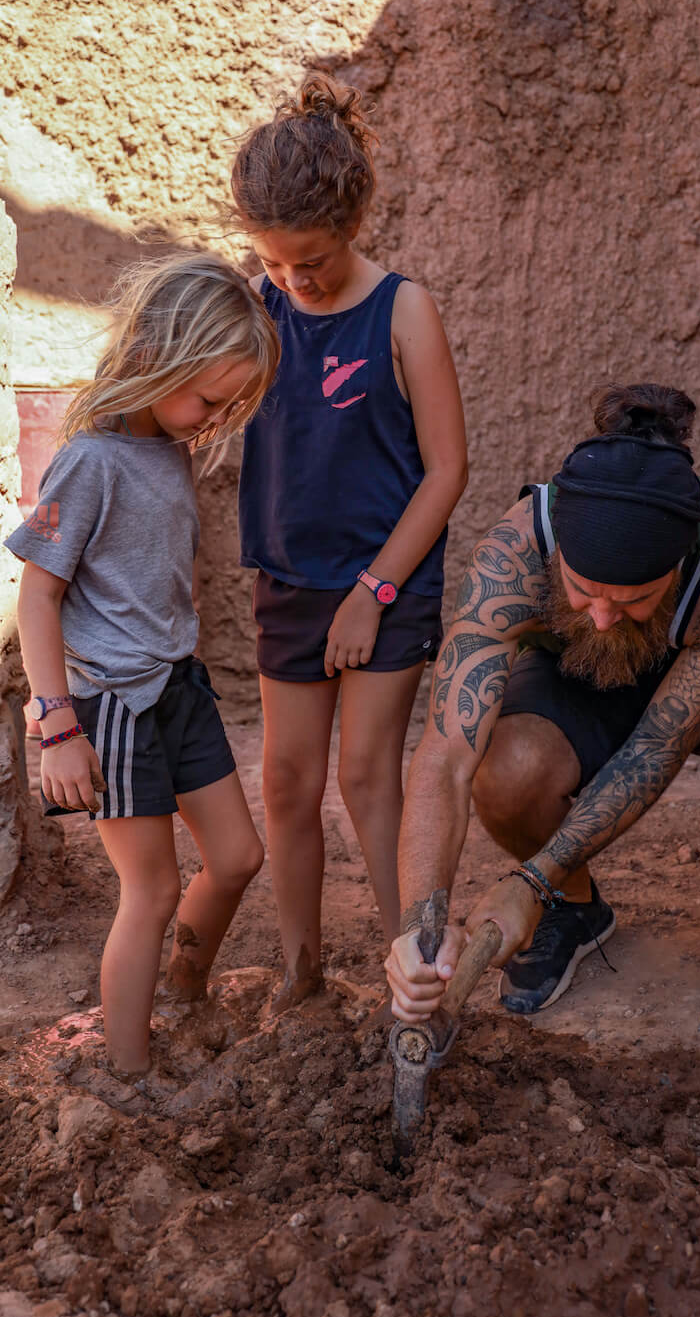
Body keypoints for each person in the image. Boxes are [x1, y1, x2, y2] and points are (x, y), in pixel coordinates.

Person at [385, 383, 700, 1069]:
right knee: (506, 765)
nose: (604, 617)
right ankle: (574, 908)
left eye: (634, 599)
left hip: (695, 685)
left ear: (676, 568)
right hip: (570, 682)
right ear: (556, 561)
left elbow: (655, 749)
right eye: (583, 593)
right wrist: (420, 923)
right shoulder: (512, 554)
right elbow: (444, 755)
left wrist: (529, 881)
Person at [5, 252, 281, 1076]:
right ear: (158, 355)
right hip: (111, 707)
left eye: (232, 406)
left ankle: (183, 992)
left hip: (179, 686)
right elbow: (37, 597)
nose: (214, 418)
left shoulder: (170, 443)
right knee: (152, 891)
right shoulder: (90, 460)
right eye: (209, 398)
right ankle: (128, 1073)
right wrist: (57, 726)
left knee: (237, 858)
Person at [229, 74, 468, 1013]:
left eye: (315, 259)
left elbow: (445, 471)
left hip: (388, 581)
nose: (299, 280)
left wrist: (372, 592)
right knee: (285, 783)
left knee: (369, 776)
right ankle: (301, 974)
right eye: (280, 263)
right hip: (289, 580)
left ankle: (409, 974)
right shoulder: (257, 306)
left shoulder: (404, 309)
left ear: (355, 219)